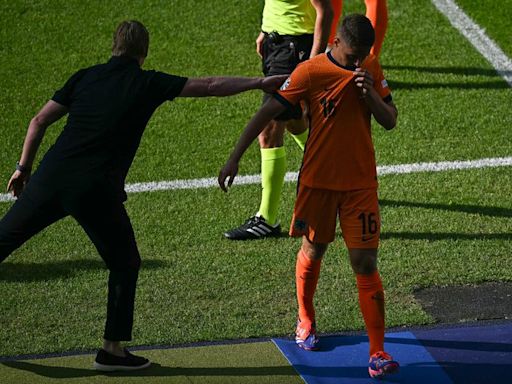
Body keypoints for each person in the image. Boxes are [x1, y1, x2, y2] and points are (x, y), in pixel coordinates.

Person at [0, 20, 286, 372]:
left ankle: (112, 351)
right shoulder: (147, 82)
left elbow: (39, 121)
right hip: (95, 190)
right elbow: (210, 86)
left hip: (49, 179)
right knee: (124, 263)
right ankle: (111, 351)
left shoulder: (85, 76)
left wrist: (22, 167)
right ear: (143, 53)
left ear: (113, 46)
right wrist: (259, 82)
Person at [219, 14, 399, 379]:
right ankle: (305, 318)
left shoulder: (370, 66)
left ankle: (378, 351)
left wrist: (369, 94)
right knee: (314, 250)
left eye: (362, 56)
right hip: (318, 184)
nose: (356, 62)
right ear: (335, 42)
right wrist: (234, 157)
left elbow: (390, 119)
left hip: (360, 184)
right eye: (352, 55)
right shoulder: (309, 72)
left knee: (365, 263)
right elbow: (268, 111)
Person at [223, 0, 334, 240]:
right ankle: (338, 174)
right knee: (294, 121)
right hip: (277, 44)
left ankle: (267, 218)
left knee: (269, 130)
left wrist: (312, 64)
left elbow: (325, 10)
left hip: (295, 50)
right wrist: (266, 30)